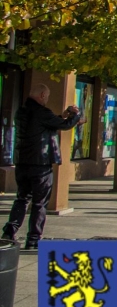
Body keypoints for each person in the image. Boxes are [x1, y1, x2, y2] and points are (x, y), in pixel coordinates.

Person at [2, 84, 81, 249]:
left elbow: (48, 124)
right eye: (47, 96)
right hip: (41, 165)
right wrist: (75, 115)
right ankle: (33, 239)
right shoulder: (42, 113)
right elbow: (64, 125)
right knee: (39, 203)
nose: (47, 99)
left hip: (22, 163)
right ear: (43, 95)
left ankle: (9, 231)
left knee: (22, 198)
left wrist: (63, 115)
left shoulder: (22, 112)